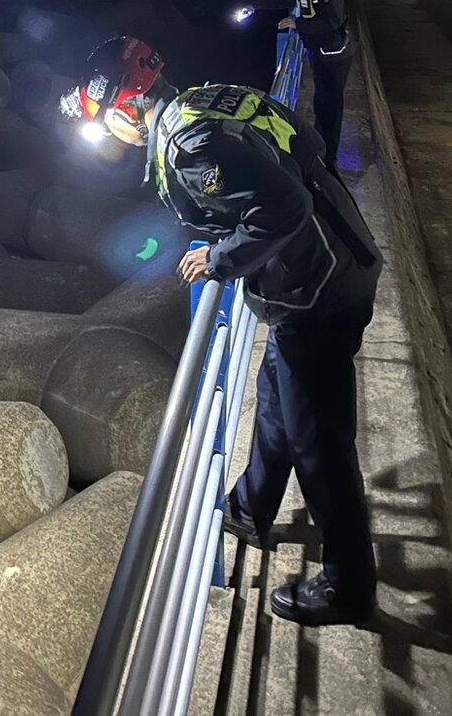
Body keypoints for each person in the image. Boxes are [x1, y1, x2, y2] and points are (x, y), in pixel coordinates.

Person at [60, 37, 384, 626]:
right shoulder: (209, 101)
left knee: (320, 444)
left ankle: (350, 584)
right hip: (328, 265)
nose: (113, 136)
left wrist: (220, 259)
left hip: (319, 292)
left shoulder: (188, 145)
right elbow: (301, 146)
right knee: (274, 403)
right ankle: (251, 506)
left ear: (128, 106)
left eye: (109, 122)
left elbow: (282, 208)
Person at [243, 0, 354, 169]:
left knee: (331, 104)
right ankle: (322, 146)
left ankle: (329, 158)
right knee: (321, 102)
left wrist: (298, 23)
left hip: (334, 54)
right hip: (320, 52)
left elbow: (333, 20)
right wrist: (256, 6)